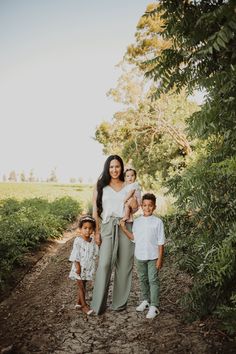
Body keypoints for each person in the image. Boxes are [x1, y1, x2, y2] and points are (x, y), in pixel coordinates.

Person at [91, 155, 136, 315]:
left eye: (117, 166)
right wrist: (96, 232)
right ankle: (98, 305)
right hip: (107, 226)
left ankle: (119, 304)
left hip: (125, 225)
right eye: (111, 167)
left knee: (124, 265)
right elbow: (95, 211)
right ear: (107, 168)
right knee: (104, 264)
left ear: (121, 168)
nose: (114, 170)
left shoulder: (129, 185)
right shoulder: (101, 186)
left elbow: (136, 208)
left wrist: (133, 203)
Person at [120, 193, 165, 319]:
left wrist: (160, 259)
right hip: (140, 256)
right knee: (143, 279)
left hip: (153, 256)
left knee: (153, 280)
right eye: (144, 205)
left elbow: (161, 242)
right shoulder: (137, 222)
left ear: (154, 207)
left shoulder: (158, 222)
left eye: (150, 205)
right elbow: (134, 238)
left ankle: (154, 306)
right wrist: (124, 229)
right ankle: (145, 300)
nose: (147, 208)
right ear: (141, 206)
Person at [68, 215, 98, 315]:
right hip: (79, 268)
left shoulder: (92, 241)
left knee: (84, 284)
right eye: (85, 228)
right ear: (80, 229)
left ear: (93, 230)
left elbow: (95, 253)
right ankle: (84, 306)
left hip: (87, 267)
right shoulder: (78, 241)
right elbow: (75, 255)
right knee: (80, 285)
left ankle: (78, 302)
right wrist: (78, 267)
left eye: (90, 228)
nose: (87, 231)